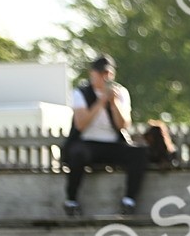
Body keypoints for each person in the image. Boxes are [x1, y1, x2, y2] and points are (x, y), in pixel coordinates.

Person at [62, 54, 147, 216]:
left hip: (112, 144)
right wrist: (100, 102)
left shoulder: (121, 93)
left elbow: (124, 125)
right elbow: (81, 124)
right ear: (92, 73)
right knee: (77, 154)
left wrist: (113, 103)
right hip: (87, 144)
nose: (105, 77)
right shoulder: (80, 93)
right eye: (101, 73)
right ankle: (71, 200)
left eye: (108, 73)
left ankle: (129, 200)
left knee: (139, 153)